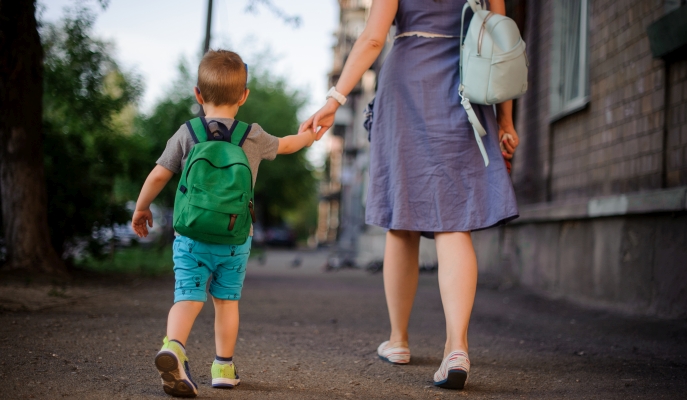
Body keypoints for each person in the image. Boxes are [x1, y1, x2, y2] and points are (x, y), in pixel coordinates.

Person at [301, 0, 519, 390]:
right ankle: (456, 347)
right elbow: (499, 36)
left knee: (401, 218)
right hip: (465, 86)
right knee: (454, 221)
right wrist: (505, 119)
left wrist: (334, 99)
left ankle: (398, 340)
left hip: (406, 87)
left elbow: (371, 38)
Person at [131, 49, 315, 398]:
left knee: (188, 297)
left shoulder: (187, 133)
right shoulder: (253, 136)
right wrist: (310, 135)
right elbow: (290, 145)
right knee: (226, 302)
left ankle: (175, 347)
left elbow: (158, 175)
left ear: (198, 95)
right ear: (244, 96)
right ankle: (223, 368)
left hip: (190, 236)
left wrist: (142, 209)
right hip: (234, 239)